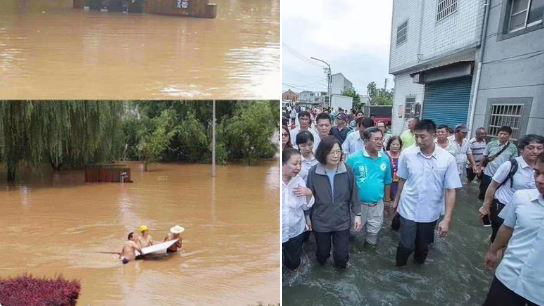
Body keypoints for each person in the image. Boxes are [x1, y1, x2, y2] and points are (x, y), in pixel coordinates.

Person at [393, 119, 462, 266]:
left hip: (430, 212)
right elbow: (402, 180)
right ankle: (399, 268)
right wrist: (396, 202)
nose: (418, 140)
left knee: (422, 248)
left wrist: (447, 219)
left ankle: (417, 271)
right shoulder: (407, 154)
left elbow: (451, 190)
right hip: (408, 208)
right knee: (405, 246)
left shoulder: (447, 159)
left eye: (422, 136)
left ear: (433, 135)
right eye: (416, 136)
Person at [482, 152, 544, 306]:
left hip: (538, 294)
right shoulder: (521, 198)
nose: (539, 180)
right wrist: (493, 250)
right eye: (537, 172)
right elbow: (507, 228)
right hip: (507, 277)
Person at [306, 136, 362, 268]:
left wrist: (357, 214)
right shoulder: (313, 172)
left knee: (341, 258)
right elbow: (309, 197)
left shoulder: (347, 170)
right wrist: (307, 218)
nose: (336, 155)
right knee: (322, 255)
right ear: (323, 153)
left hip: (342, 220)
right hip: (321, 220)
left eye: (338, 152)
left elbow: (354, 193)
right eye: (331, 152)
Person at [479, 134, 544, 242]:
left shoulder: (541, 168)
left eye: (539, 148)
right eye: (531, 148)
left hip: (528, 210)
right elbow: (492, 186)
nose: (535, 151)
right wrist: (485, 206)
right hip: (504, 207)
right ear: (522, 149)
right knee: (499, 239)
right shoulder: (510, 165)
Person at [346, 127, 392, 245]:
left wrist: (387, 201)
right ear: (366, 141)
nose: (380, 142)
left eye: (381, 139)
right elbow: (346, 183)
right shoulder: (353, 159)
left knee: (373, 235)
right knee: (353, 233)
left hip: (377, 205)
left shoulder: (385, 159)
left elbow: (387, 181)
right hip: (358, 205)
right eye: (376, 139)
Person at [282, 148, 314, 270]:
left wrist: (309, 193)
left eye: (300, 163)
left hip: (296, 230)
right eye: (295, 164)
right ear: (283, 163)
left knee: (293, 263)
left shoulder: (299, 181)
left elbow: (306, 206)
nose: (298, 167)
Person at [479, 126, 519, 200]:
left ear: (510, 136)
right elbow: (484, 156)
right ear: (498, 134)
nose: (502, 136)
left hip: (502, 176)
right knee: (483, 193)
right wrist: (480, 168)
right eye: (500, 133)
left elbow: (514, 162)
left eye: (505, 134)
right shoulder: (491, 144)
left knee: (496, 196)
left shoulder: (513, 147)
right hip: (488, 173)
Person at [385, 136, 403, 204]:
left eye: (397, 144)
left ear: (400, 146)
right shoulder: (384, 155)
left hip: (399, 185)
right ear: (389, 145)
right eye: (393, 144)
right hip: (387, 184)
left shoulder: (403, 156)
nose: (395, 146)